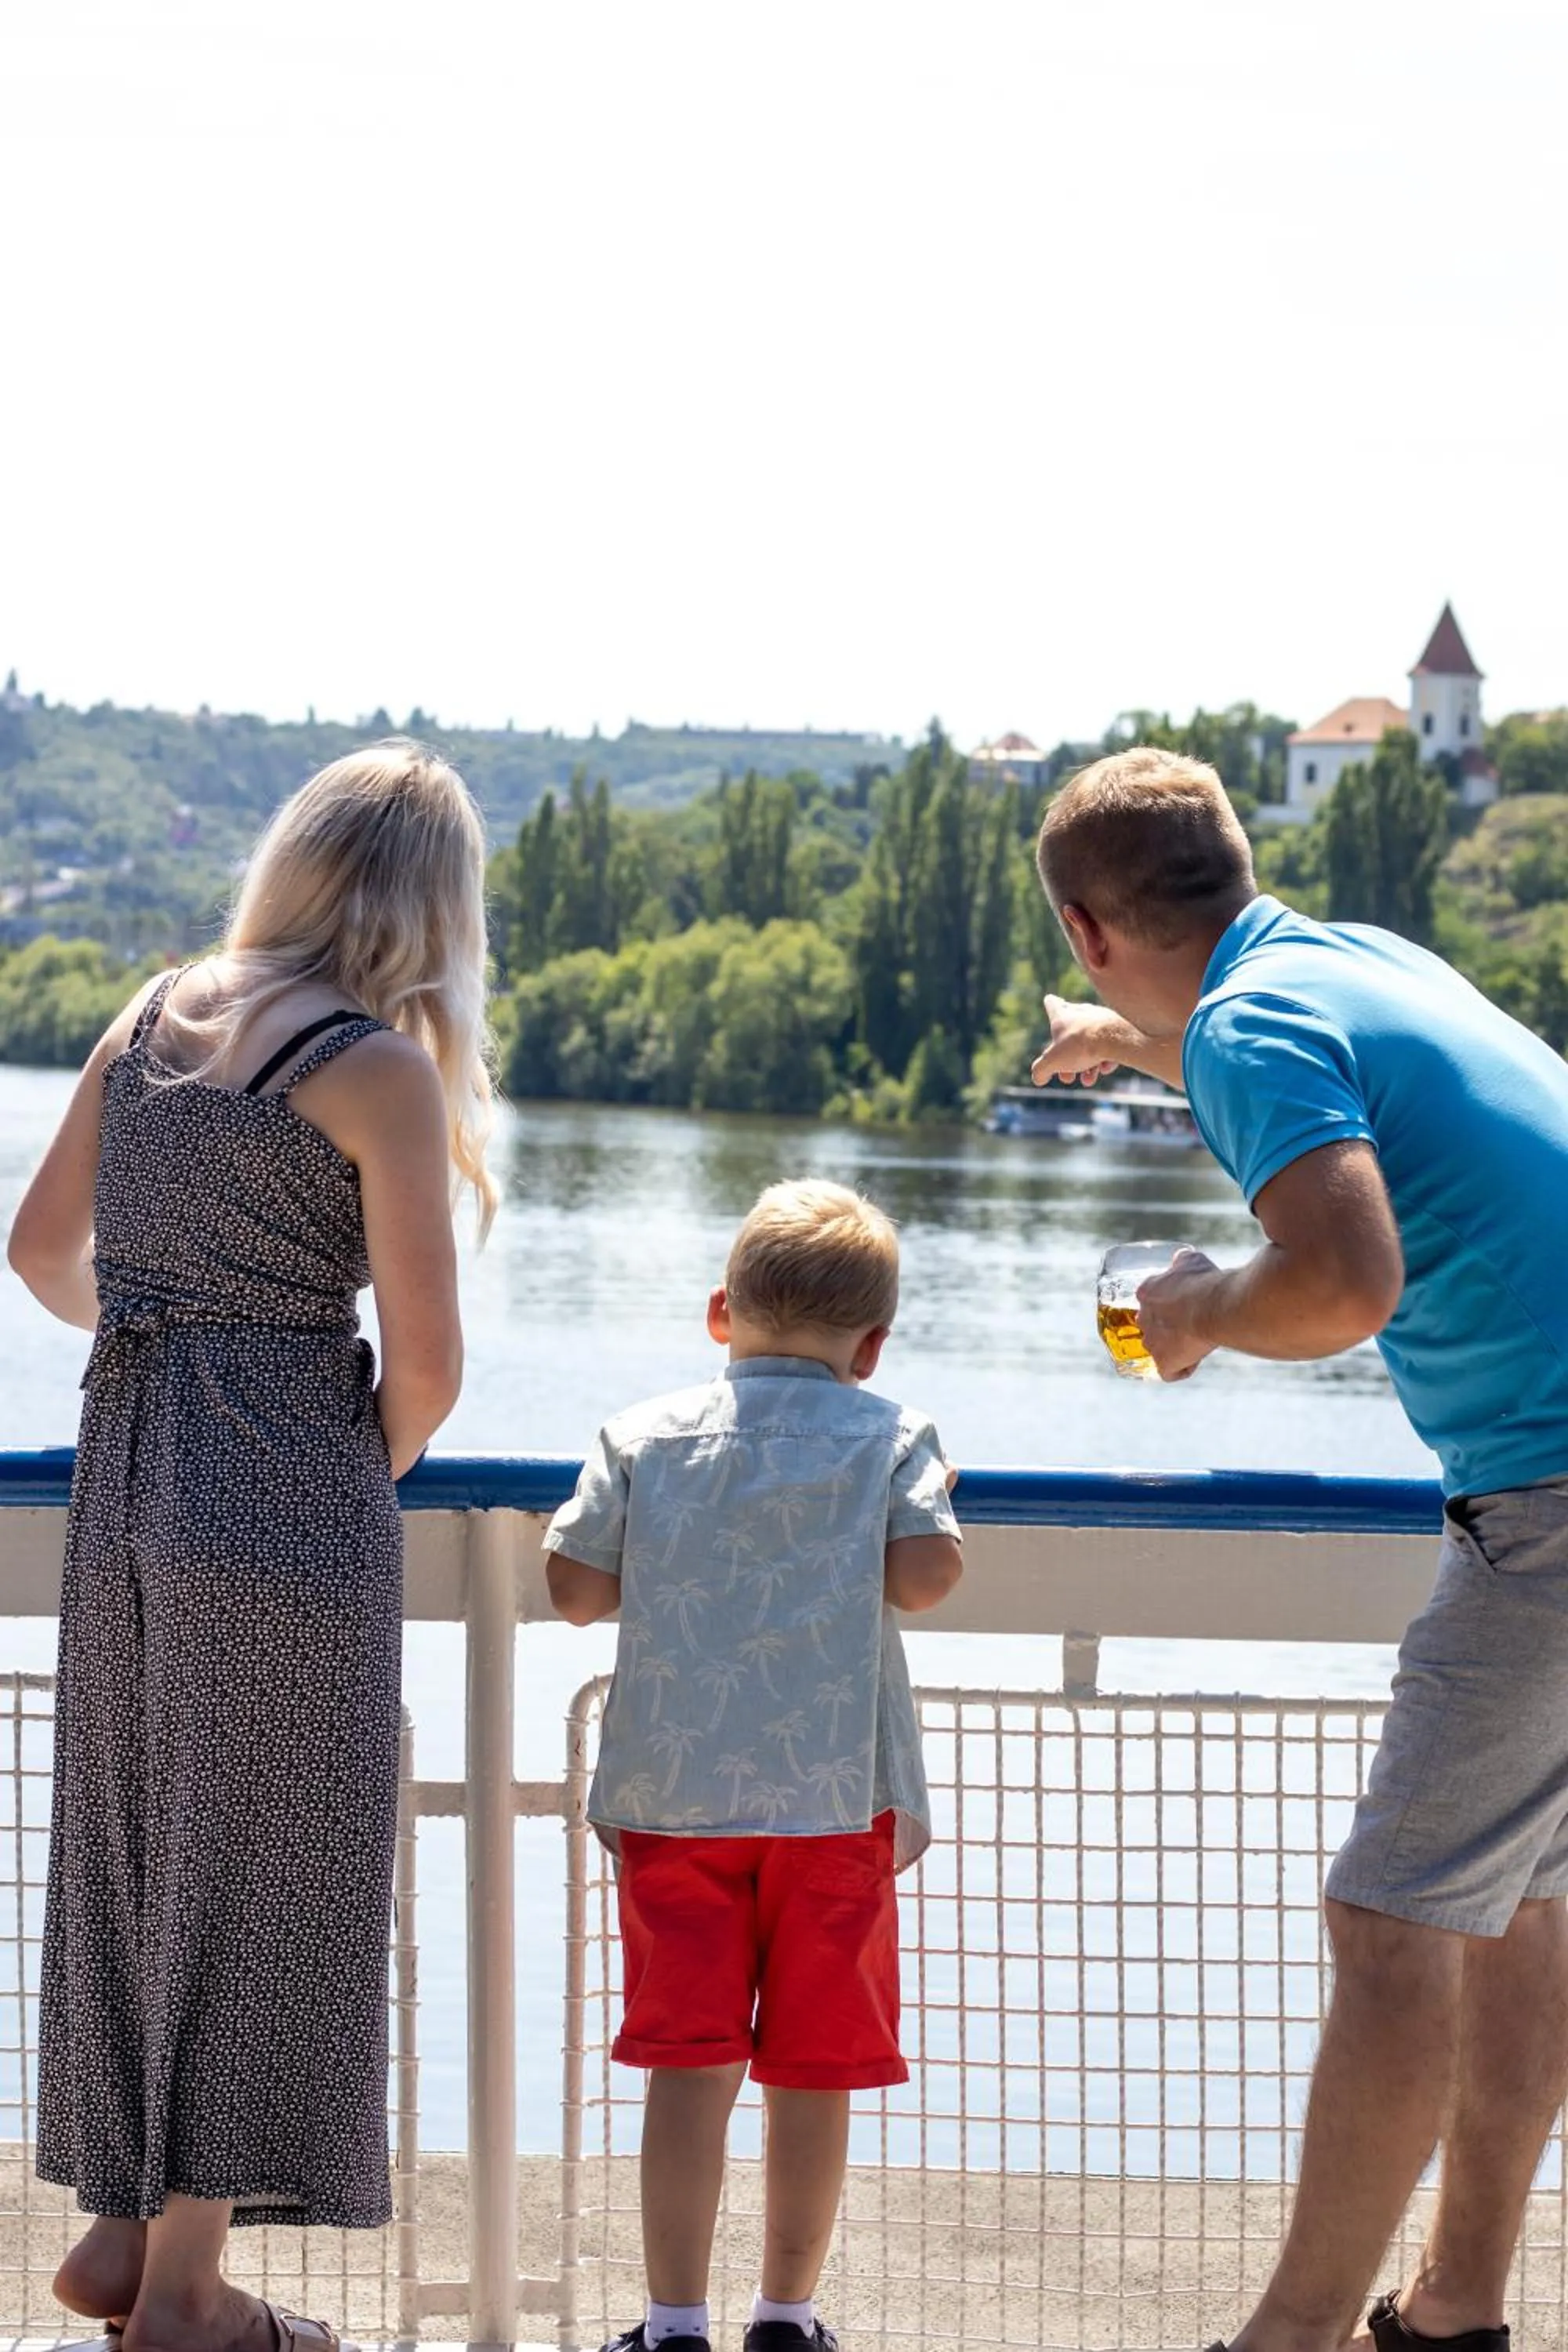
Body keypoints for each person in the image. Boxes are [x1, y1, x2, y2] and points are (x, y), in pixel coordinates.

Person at [1030, 744, 1568, 2352]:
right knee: (1520, 1911)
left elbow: (1341, 1279)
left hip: (1549, 1496)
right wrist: (1125, 1042)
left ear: (1082, 925)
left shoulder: (1253, 1025)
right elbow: (1285, 1060)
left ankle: (1295, 2337)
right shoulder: (1350, 962)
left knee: (1392, 1922)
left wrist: (1193, 1309)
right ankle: (1454, 2310)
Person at [7, 741, 495, 2352]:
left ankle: (115, 2231)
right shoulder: (371, 1067)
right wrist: (329, 1453)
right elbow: (425, 1363)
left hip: (124, 1466)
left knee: (134, 1843)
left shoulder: (150, 1016)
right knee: (269, 1869)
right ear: (434, 917)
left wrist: (169, 1335)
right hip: (284, 1484)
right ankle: (191, 2289)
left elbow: (40, 1252)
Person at [544, 1179, 964, 2352]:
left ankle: (674, 2324)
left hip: (675, 1808)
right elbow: (925, 1578)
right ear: (871, 1346)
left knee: (689, 2069)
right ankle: (786, 2317)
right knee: (812, 2071)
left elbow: (575, 1591)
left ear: (720, 1312)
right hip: (834, 1804)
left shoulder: (641, 1436)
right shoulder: (894, 1436)